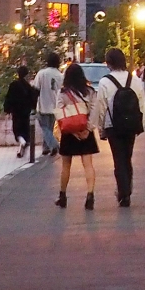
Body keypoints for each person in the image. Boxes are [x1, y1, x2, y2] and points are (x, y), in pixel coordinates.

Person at [96, 48, 145, 206]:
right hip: (131, 125)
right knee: (127, 157)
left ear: (109, 63)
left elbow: (101, 107)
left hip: (113, 126)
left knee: (118, 159)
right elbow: (141, 105)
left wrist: (100, 128)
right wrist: (141, 125)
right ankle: (127, 189)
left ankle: (123, 192)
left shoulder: (105, 82)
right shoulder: (135, 80)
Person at [55, 62, 100, 210]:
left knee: (66, 165)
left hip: (69, 133)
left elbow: (60, 113)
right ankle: (90, 195)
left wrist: (72, 131)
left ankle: (62, 196)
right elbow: (95, 111)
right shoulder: (90, 92)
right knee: (88, 164)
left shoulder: (63, 93)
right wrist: (87, 129)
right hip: (85, 131)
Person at [5, 65, 40, 158]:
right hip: (26, 112)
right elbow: (34, 96)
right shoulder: (28, 86)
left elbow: (9, 98)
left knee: (17, 130)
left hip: (16, 112)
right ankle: (22, 147)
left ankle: (21, 143)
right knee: (25, 130)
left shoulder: (13, 85)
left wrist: (7, 109)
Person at [34, 53, 63, 155]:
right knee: (49, 128)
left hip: (43, 104)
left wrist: (33, 104)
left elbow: (36, 89)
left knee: (44, 127)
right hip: (55, 105)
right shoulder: (60, 75)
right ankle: (45, 148)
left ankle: (54, 145)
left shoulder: (42, 73)